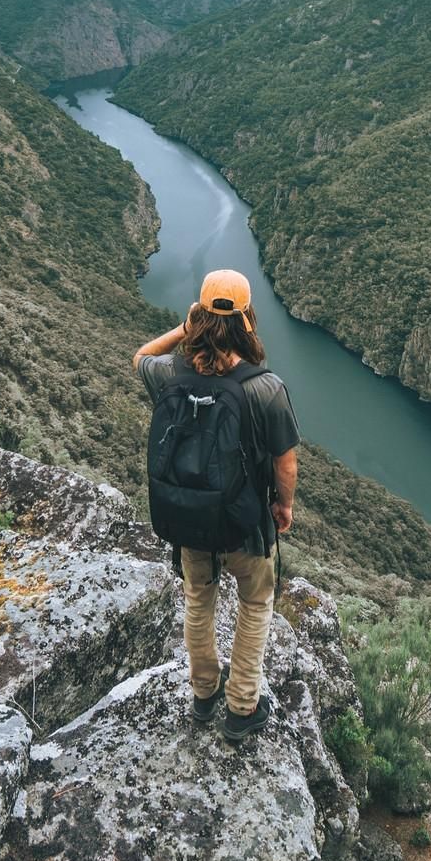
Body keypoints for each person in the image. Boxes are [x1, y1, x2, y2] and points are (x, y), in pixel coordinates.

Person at [133, 268, 300, 742]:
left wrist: (186, 330)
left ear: (201, 316)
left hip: (191, 519)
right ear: (248, 317)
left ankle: (204, 694)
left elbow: (141, 356)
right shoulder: (265, 388)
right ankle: (242, 705)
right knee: (254, 602)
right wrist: (283, 507)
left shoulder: (171, 375)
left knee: (198, 600)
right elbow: (285, 464)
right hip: (245, 525)